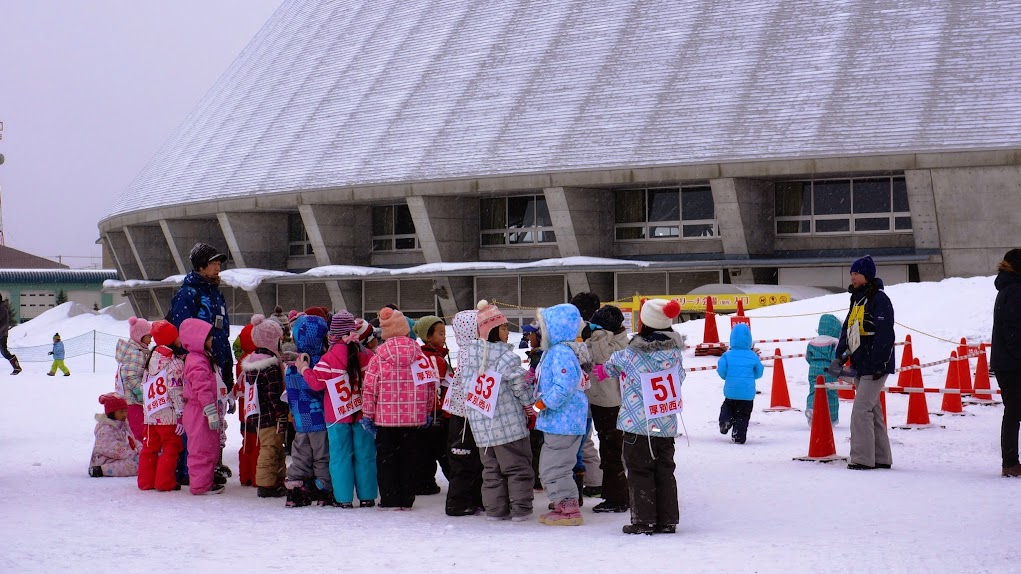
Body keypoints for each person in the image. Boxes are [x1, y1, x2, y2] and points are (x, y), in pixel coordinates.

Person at [602, 298, 684, 535]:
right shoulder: (675, 352)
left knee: (640, 472)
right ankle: (668, 520)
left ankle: (644, 520)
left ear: (644, 323)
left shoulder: (631, 353)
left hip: (637, 425)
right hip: (665, 424)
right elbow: (681, 378)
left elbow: (609, 367)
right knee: (665, 470)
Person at [461, 301, 534, 521]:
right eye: (503, 328)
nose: (507, 332)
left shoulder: (468, 357)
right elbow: (520, 386)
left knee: (491, 471)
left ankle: (495, 510)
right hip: (509, 425)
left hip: (482, 428)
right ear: (492, 331)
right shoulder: (506, 357)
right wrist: (530, 408)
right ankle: (521, 509)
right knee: (517, 468)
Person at [301, 311, 378, 508]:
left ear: (332, 335)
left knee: (340, 456)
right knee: (366, 455)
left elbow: (316, 384)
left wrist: (304, 370)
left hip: (336, 417)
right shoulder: (367, 355)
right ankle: (367, 496)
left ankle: (343, 498)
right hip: (364, 416)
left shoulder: (329, 358)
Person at [362, 307, 434, 510]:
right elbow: (429, 385)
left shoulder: (378, 358)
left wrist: (368, 415)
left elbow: (370, 388)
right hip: (414, 419)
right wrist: (427, 412)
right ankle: (407, 498)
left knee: (386, 460)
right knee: (410, 459)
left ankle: (390, 497)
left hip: (385, 420)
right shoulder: (420, 357)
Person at [834, 255, 895, 471]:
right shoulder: (857, 299)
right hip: (861, 364)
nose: (852, 277)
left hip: (875, 366)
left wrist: (880, 363)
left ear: (867, 275)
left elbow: (885, 335)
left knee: (860, 411)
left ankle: (862, 458)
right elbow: (848, 329)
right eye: (851, 273)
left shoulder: (880, 299)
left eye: (856, 273)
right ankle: (881, 457)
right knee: (872, 410)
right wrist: (840, 353)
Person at [532, 303, 587, 526]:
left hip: (563, 421)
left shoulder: (560, 353)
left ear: (555, 329)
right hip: (559, 421)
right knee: (551, 464)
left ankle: (569, 508)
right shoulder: (556, 352)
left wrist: (542, 403)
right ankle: (561, 502)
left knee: (555, 466)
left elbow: (564, 386)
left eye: (543, 327)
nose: (539, 332)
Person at [585, 305, 630, 513]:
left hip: (610, 404)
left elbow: (602, 357)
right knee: (610, 449)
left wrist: (598, 335)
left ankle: (617, 497)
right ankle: (616, 493)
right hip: (603, 401)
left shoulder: (612, 343)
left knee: (612, 452)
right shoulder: (610, 340)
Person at [240, 315, 290, 498]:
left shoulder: (254, 361)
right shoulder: (269, 365)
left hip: (259, 413)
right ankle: (266, 484)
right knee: (271, 448)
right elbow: (273, 393)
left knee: (275, 446)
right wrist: (281, 411)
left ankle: (276, 479)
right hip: (270, 415)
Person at [287, 314, 332, 507]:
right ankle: (324, 489)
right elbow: (319, 388)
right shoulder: (319, 364)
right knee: (322, 456)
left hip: (300, 420)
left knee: (301, 455)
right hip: (320, 420)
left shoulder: (291, 367)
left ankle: (295, 490)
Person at [443, 310, 484, 516]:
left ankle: (474, 498)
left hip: (466, 414)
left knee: (472, 459)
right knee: (464, 459)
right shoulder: (472, 352)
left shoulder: (468, 350)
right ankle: (457, 503)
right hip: (466, 415)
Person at [137, 321, 185, 491]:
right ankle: (164, 482)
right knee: (171, 448)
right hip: (169, 415)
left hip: (151, 414)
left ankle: (145, 481)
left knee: (149, 448)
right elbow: (176, 390)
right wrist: (180, 414)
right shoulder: (175, 363)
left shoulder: (151, 360)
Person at [180, 318, 225, 495]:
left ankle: (205, 481)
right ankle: (199, 485)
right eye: (208, 337)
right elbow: (201, 387)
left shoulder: (201, 357)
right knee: (201, 448)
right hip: (200, 410)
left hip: (203, 408)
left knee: (209, 446)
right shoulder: (196, 361)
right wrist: (210, 409)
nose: (211, 340)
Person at [412, 315, 451, 496]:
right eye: (440, 333)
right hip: (437, 412)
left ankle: (424, 482)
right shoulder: (432, 358)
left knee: (425, 452)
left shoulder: (429, 355)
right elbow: (438, 383)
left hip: (425, 413)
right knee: (443, 451)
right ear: (428, 337)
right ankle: (455, 481)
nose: (444, 337)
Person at [992, 249, 1021, 477]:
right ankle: (1010, 463)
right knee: (1014, 412)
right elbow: (1013, 330)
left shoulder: (1006, 288)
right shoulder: (1015, 290)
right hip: (1013, 363)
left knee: (1013, 411)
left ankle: (1010, 462)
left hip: (1005, 361)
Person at [717, 323, 765, 444]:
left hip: (731, 391)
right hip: (747, 393)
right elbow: (759, 372)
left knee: (727, 407)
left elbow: (722, 370)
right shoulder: (753, 356)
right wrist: (750, 377)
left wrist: (727, 377)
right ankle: (738, 436)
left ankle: (725, 420)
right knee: (743, 415)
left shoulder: (727, 355)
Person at [115, 317, 153, 441]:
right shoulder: (136, 353)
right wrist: (140, 392)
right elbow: (129, 375)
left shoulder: (135, 350)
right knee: (139, 432)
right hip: (132, 400)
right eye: (148, 336)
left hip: (129, 400)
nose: (151, 339)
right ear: (140, 336)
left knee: (136, 430)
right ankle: (140, 456)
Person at [233, 323, 260, 487]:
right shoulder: (258, 360)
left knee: (246, 444)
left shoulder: (240, 361)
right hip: (256, 408)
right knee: (257, 443)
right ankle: (257, 475)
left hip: (244, 411)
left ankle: (245, 475)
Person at [89, 393, 141, 477]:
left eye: (126, 411)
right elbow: (110, 447)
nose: (124, 414)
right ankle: (100, 470)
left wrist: (141, 450)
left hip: (120, 456)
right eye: (121, 412)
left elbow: (133, 438)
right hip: (104, 459)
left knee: (140, 462)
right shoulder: (105, 428)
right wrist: (132, 454)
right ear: (112, 413)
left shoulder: (123, 424)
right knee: (132, 466)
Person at [806, 314, 842, 426]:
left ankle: (811, 409)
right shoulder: (834, 342)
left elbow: (808, 357)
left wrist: (813, 364)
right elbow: (835, 358)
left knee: (814, 390)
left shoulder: (812, 342)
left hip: (813, 370)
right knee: (831, 392)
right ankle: (832, 418)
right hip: (828, 370)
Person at [0, 294, 21, 375]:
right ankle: (17, 367)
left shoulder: (2, 308)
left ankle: (17, 367)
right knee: (3, 351)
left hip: (2, 333)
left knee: (4, 351)